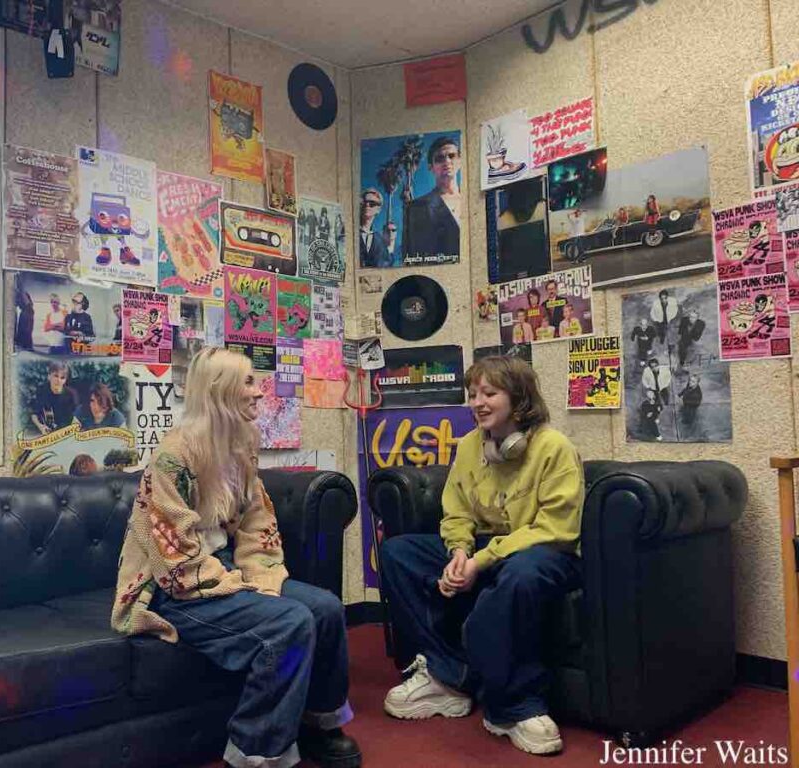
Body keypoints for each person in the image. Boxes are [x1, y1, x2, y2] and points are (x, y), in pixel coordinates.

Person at [111, 348, 361, 768]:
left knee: (326, 609)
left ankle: (319, 722)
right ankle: (254, 753)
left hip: (225, 568)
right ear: (218, 390)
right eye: (247, 382)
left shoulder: (241, 448)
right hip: (177, 588)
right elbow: (171, 552)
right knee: (289, 622)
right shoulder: (173, 457)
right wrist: (233, 585)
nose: (259, 392)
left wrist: (259, 575)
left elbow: (255, 520)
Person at [379, 356, 583, 757]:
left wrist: (481, 561)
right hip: (485, 550)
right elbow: (456, 509)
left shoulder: (554, 448)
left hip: (542, 552)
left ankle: (514, 706)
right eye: (473, 394)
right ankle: (447, 676)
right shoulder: (471, 445)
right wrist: (458, 552)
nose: (478, 402)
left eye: (490, 393)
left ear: (519, 398)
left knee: (522, 573)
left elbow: (556, 528)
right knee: (397, 553)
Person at [405, 136, 461, 260]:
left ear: (460, 161)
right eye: (440, 158)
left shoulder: (472, 200)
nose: (447, 161)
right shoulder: (416, 208)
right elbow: (413, 256)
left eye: (451, 156)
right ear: (431, 167)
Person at [31, 362, 77, 435]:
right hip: (45, 431)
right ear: (49, 376)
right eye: (56, 376)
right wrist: (41, 427)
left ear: (65, 380)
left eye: (62, 378)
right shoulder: (41, 390)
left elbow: (75, 417)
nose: (58, 380)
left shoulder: (71, 395)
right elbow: (34, 414)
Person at [358, 188, 390, 268]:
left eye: (372, 203)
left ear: (378, 210)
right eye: (364, 202)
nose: (367, 205)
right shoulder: (348, 232)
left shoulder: (381, 242)